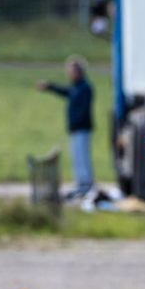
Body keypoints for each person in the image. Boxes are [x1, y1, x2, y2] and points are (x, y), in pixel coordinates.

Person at [36, 56, 95, 197]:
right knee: (76, 157)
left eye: (71, 70)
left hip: (81, 128)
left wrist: (75, 123)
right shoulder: (76, 88)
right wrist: (49, 86)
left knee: (82, 157)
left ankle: (85, 184)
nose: (69, 73)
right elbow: (64, 91)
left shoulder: (85, 88)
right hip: (75, 129)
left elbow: (82, 110)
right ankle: (81, 183)